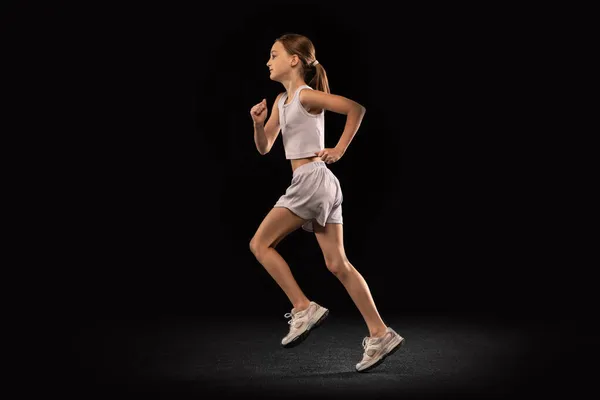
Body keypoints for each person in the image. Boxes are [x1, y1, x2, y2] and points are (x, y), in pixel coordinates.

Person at [248, 33, 404, 372]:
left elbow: (355, 109)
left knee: (259, 244)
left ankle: (303, 308)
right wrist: (258, 125)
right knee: (337, 264)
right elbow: (265, 147)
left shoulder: (306, 95)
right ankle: (380, 334)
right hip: (322, 185)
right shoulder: (280, 101)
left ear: (294, 60)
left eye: (274, 55)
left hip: (311, 180)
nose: (268, 61)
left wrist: (339, 149)